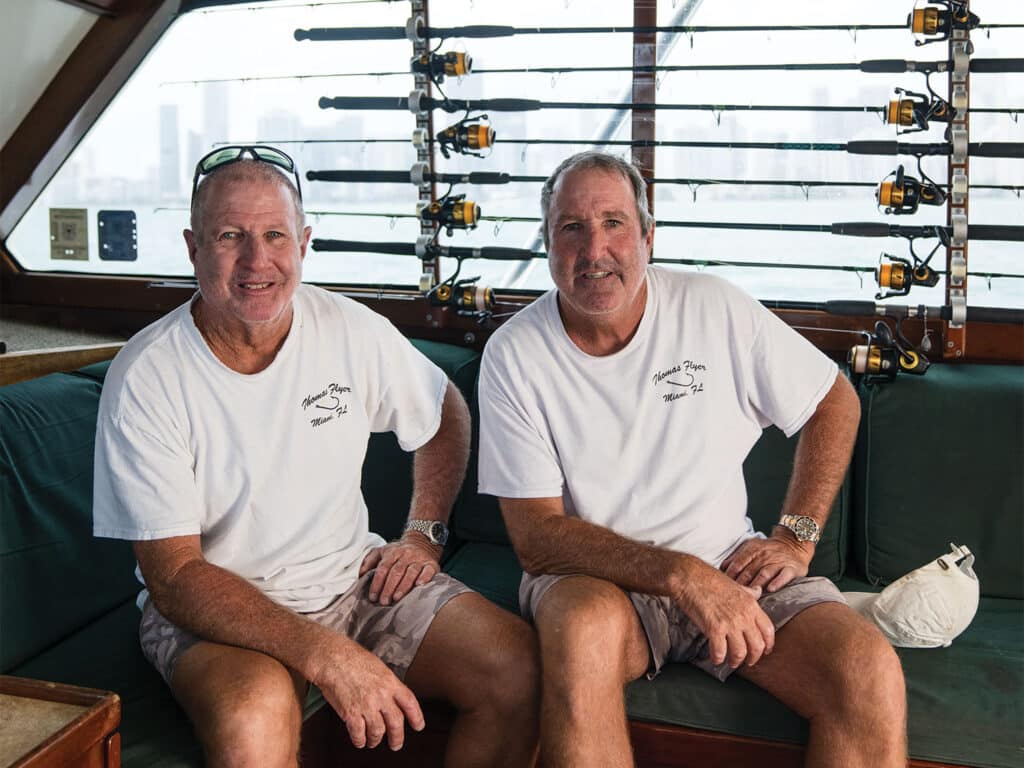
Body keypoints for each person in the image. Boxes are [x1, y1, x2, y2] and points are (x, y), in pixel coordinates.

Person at [93, 146, 538, 768]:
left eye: (275, 234)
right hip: (215, 614)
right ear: (193, 247)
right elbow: (175, 579)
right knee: (255, 717)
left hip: (351, 581)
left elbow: (443, 410)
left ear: (303, 243)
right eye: (230, 236)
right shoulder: (146, 376)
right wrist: (325, 654)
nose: (257, 260)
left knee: (516, 669)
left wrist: (423, 533)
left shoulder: (348, 329)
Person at [477, 151, 906, 768]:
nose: (595, 249)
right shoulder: (513, 355)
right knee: (580, 633)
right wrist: (683, 575)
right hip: (598, 585)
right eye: (571, 227)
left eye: (615, 224)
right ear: (547, 244)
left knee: (866, 670)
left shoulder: (713, 307)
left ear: (649, 237)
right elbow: (538, 540)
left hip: (731, 568)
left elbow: (834, 400)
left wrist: (796, 536)